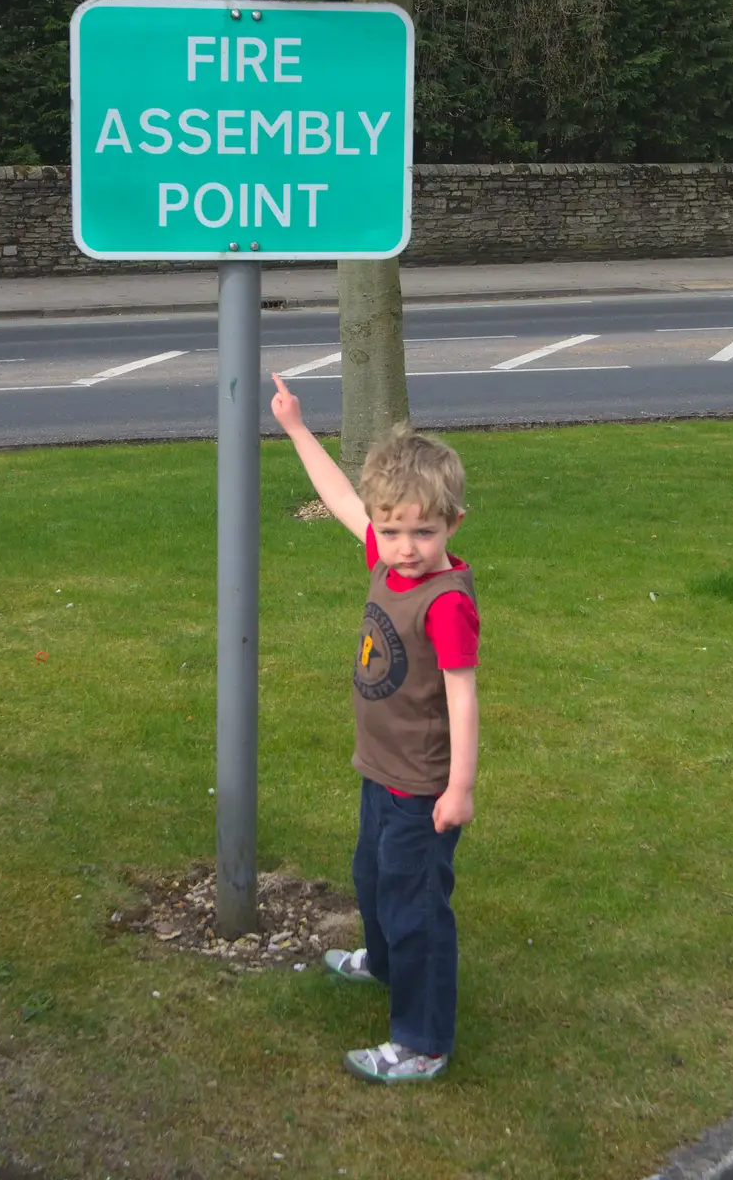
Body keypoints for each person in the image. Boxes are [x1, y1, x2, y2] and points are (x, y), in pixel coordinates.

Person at [270, 374, 480, 1084]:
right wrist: (297, 428)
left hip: (421, 787)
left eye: (423, 531)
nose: (405, 546)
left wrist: (458, 788)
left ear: (453, 523)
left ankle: (421, 1042)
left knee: (416, 905)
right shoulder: (386, 559)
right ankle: (382, 964)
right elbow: (339, 499)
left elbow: (461, 696)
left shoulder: (444, 602)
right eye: (391, 530)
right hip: (378, 771)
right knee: (372, 878)